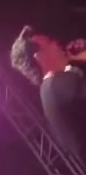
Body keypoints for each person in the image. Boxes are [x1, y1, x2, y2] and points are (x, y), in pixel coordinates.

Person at [9, 26, 86, 160]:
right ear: (39, 57)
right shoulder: (59, 88)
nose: (56, 43)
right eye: (49, 42)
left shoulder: (50, 91)